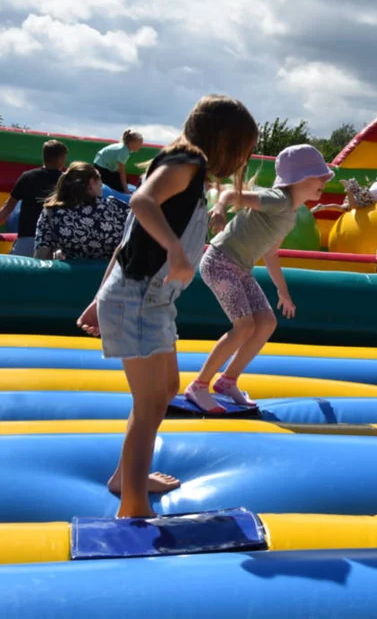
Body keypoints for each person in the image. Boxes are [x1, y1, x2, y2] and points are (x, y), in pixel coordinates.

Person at [76, 94, 258, 518]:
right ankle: (133, 505)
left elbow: (128, 242)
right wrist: (176, 250)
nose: (245, 158)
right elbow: (138, 206)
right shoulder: (184, 163)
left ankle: (126, 477)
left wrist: (96, 298)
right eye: (244, 150)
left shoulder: (190, 174)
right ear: (224, 142)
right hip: (138, 299)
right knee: (150, 404)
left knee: (169, 390)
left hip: (151, 301)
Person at [183, 143, 335, 413]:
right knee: (243, 326)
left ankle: (227, 382)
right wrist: (218, 208)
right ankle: (199, 385)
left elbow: (271, 253)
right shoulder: (277, 200)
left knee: (265, 322)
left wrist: (283, 292)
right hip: (219, 262)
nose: (324, 180)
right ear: (298, 179)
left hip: (239, 267)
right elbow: (231, 193)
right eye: (318, 175)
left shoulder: (291, 214)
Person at [33, 162, 130, 261]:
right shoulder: (116, 208)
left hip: (72, 274)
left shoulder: (52, 212)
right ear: (91, 183)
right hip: (110, 274)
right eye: (100, 186)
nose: (101, 190)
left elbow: (42, 254)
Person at [0, 140, 67, 256]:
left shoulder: (28, 177)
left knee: (18, 271)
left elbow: (8, 207)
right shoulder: (66, 181)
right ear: (61, 159)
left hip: (27, 238)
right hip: (55, 242)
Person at [93, 129, 144, 194]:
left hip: (101, 165)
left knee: (125, 181)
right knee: (120, 186)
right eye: (140, 143)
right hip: (101, 168)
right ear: (132, 142)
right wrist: (126, 190)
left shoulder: (124, 148)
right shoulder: (123, 151)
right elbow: (122, 172)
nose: (141, 146)